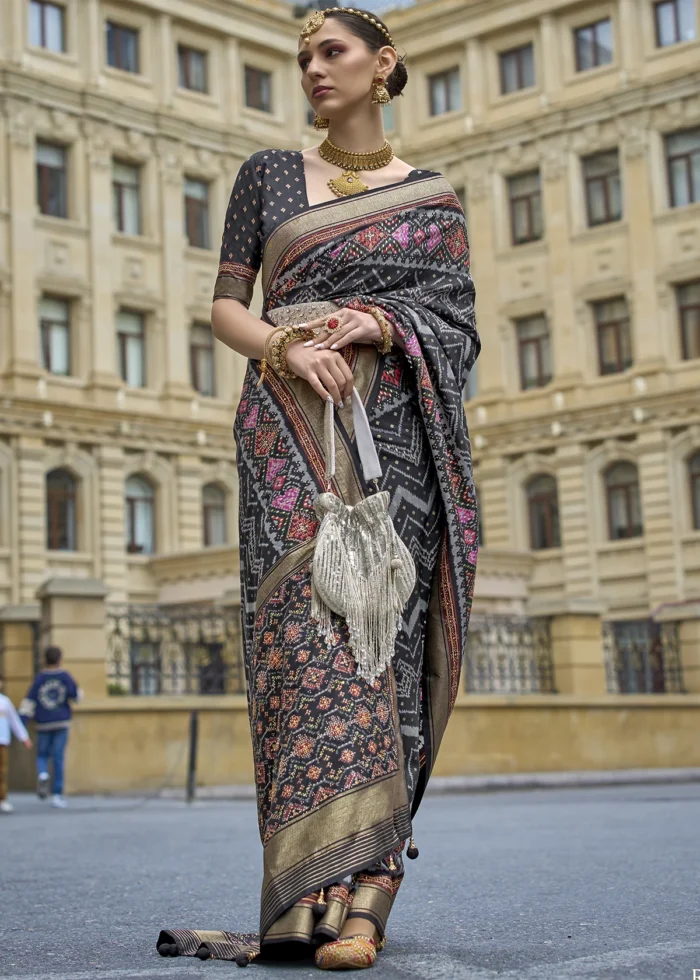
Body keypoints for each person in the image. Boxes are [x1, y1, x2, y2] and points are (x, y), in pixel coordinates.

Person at [157, 6, 479, 971]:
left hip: (399, 450)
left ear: (384, 66)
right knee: (306, 647)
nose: (312, 69)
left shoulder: (435, 195)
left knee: (385, 641)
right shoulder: (265, 177)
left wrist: (381, 327)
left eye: (331, 52)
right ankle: (304, 895)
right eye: (302, 56)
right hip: (286, 437)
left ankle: (369, 900)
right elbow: (225, 306)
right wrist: (289, 343)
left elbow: (456, 328)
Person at [19, 646, 81, 809]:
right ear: (59, 659)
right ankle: (58, 795)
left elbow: (29, 702)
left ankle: (43, 774)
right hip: (61, 722)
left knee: (42, 755)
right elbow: (75, 695)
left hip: (43, 723)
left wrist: (22, 724)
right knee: (58, 757)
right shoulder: (65, 677)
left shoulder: (39, 679)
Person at [0, 678, 32, 814]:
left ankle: (2, 799)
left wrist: (24, 737)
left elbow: (14, 721)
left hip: (2, 741)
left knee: (2, 771)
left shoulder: (5, 701)